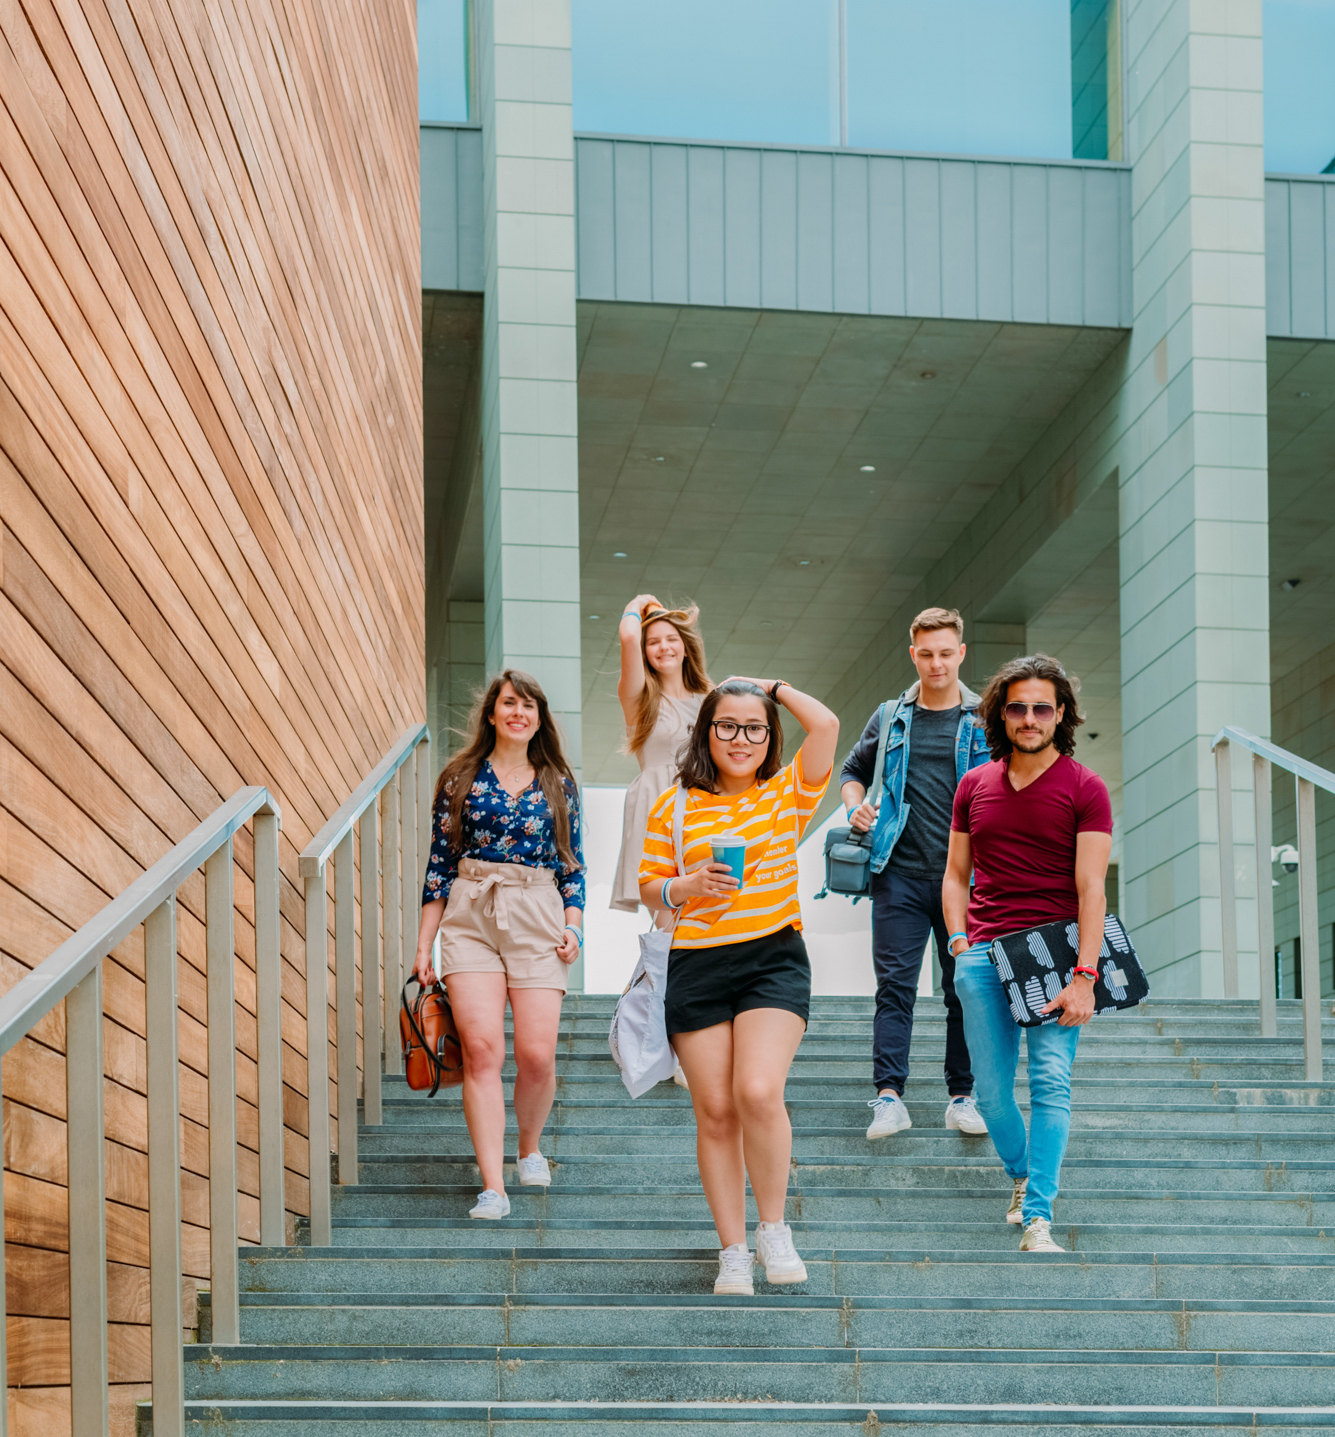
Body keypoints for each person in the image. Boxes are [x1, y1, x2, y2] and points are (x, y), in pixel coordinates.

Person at [639, 678, 839, 1297]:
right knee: (716, 1111)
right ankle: (732, 1251)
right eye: (727, 725)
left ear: (770, 735)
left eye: (755, 727)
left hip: (772, 960)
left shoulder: (788, 793)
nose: (741, 738)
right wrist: (686, 886)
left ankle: (773, 1229)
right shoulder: (673, 807)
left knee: (756, 1090)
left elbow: (827, 725)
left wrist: (773, 688)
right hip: (696, 964)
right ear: (707, 732)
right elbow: (650, 888)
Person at [942, 653, 1112, 1254]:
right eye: (1018, 707)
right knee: (989, 1095)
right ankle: (1021, 1174)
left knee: (1050, 1083)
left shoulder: (1085, 787)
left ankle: (1038, 1213)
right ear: (1001, 714)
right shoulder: (974, 784)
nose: (1030, 717)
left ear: (1060, 713)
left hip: (1055, 955)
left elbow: (1092, 886)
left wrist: (1086, 975)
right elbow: (956, 874)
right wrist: (960, 944)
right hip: (984, 953)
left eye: (1043, 707)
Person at [412, 671, 584, 1221]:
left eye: (529, 705)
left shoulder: (559, 782)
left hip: (537, 913)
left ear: (540, 717)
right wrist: (424, 946)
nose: (519, 712)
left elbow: (573, 866)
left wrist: (574, 926)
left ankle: (528, 1148)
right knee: (485, 1051)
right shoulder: (459, 778)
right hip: (470, 914)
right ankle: (493, 1186)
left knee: (537, 1054)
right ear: (491, 713)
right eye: (509, 703)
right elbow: (439, 867)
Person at [839, 608, 991, 1142]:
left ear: (961, 653)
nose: (936, 664)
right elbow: (853, 772)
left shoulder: (986, 719)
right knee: (895, 989)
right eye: (926, 654)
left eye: (946, 653)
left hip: (967, 879)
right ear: (913, 654)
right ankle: (889, 1098)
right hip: (898, 872)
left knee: (964, 989)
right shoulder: (890, 716)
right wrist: (857, 807)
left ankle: (962, 1096)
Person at [611, 595, 711, 918]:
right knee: (670, 918)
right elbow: (628, 636)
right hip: (659, 806)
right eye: (653, 641)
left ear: (685, 646)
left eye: (671, 638)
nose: (663, 647)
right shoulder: (639, 698)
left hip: (703, 806)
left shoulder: (710, 698)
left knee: (711, 908)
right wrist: (637, 604)